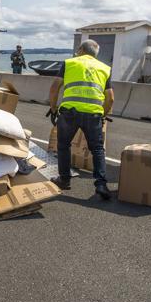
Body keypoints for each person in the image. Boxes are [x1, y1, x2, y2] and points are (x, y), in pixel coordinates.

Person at [47, 40, 114, 200]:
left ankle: (64, 180)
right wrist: (103, 114)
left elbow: (54, 87)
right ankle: (101, 184)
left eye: (78, 50)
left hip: (69, 113)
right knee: (97, 149)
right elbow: (110, 98)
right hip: (93, 114)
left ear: (81, 50)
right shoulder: (105, 68)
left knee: (63, 145)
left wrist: (54, 108)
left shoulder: (69, 63)